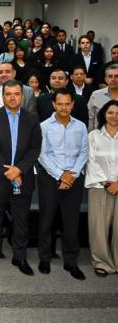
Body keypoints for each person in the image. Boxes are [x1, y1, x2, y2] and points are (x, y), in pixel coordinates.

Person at [0, 80, 42, 276]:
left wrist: (19, 170)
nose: (12, 97)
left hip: (22, 178)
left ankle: (20, 257)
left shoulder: (32, 118)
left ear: (22, 96)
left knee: (21, 220)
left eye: (16, 94)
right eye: (8, 94)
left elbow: (35, 148)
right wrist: (8, 171)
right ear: (3, 95)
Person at [37, 89, 88, 280]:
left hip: (74, 178)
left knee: (71, 221)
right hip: (51, 178)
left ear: (72, 104)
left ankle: (71, 262)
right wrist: (61, 175)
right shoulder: (44, 126)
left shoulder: (81, 126)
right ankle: (44, 258)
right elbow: (42, 155)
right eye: (60, 104)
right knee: (46, 220)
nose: (64, 107)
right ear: (54, 105)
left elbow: (84, 153)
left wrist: (71, 175)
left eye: (67, 103)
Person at [86, 99, 118, 277]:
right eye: (110, 112)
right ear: (104, 114)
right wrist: (107, 182)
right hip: (99, 186)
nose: (114, 116)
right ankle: (102, 262)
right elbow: (91, 160)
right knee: (99, 226)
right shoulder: (94, 136)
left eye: (117, 113)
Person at [87, 64, 118, 131]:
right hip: (99, 137)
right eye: (110, 76)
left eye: (116, 76)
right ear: (105, 79)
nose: (113, 79)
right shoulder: (96, 95)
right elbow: (90, 118)